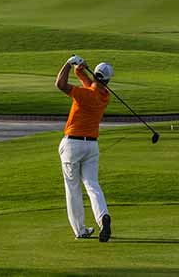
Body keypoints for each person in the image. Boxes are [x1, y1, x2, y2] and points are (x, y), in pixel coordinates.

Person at [56, 55, 114, 242]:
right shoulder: (105, 96)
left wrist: (67, 63)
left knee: (72, 188)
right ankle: (102, 217)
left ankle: (80, 230)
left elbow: (60, 84)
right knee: (92, 185)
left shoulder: (84, 94)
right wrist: (80, 70)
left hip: (72, 145)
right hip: (92, 146)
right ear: (107, 80)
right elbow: (92, 85)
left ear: (95, 75)